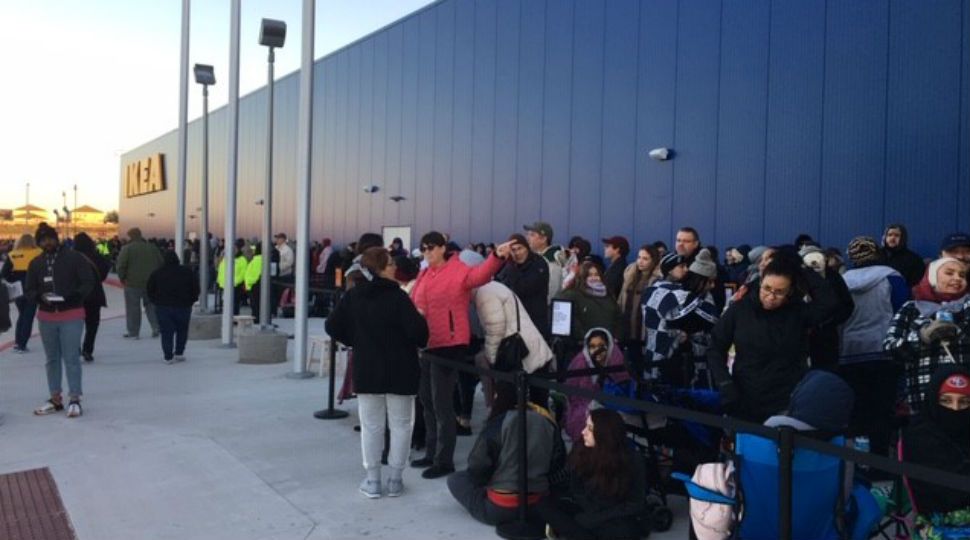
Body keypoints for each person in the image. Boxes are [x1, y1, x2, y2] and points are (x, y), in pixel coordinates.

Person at [325, 247, 429, 499]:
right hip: (401, 370)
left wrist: (356, 340)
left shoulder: (354, 296)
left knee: (371, 426)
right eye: (390, 263)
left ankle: (372, 480)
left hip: (367, 368)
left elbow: (332, 325)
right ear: (380, 268)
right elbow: (420, 335)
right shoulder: (399, 298)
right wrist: (421, 319)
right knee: (402, 425)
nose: (395, 267)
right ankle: (395, 479)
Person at [409, 231, 511, 479]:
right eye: (424, 248)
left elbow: (481, 275)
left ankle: (444, 461)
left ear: (443, 248)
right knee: (427, 400)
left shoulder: (459, 270)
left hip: (449, 344)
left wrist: (496, 256)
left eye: (432, 247)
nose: (427, 252)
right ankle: (432, 452)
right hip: (426, 344)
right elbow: (414, 301)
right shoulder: (424, 273)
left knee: (441, 403)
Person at [708, 255, 840, 423]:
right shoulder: (740, 310)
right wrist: (725, 383)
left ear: (790, 291)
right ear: (760, 282)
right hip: (745, 396)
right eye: (767, 289)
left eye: (779, 292)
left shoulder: (798, 312)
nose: (771, 297)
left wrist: (801, 270)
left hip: (786, 399)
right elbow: (715, 348)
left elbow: (829, 304)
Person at [446, 387, 563, 527]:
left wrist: (483, 481)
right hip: (538, 502)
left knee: (455, 479)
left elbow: (479, 464)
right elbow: (558, 463)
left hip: (501, 505)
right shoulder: (548, 423)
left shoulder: (500, 422)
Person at [837, 236, 909, 458]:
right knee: (882, 410)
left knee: (855, 409)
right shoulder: (891, 277)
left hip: (849, 351)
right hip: (882, 351)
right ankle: (879, 462)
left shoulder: (843, 280)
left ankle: (857, 462)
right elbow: (903, 310)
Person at [539, 409, 647, 540]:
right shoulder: (581, 450)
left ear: (605, 434)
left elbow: (635, 503)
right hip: (585, 508)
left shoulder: (632, 460)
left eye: (590, 428)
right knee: (545, 506)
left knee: (624, 530)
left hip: (613, 516)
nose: (583, 432)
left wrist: (596, 518)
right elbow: (574, 488)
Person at [25, 223, 96, 418]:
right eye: (42, 239)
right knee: (52, 359)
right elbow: (29, 289)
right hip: (47, 316)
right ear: (39, 242)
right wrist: (39, 298)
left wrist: (75, 296)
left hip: (71, 314)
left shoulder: (74, 258)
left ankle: (75, 398)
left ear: (56, 239)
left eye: (50, 238)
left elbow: (88, 281)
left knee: (71, 357)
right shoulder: (36, 263)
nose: (47, 242)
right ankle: (55, 398)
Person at [884, 257, 970, 414]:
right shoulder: (911, 308)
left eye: (962, 275)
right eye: (949, 273)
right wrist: (921, 338)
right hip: (923, 398)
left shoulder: (967, 306)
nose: (957, 278)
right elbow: (890, 348)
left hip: (965, 399)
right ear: (932, 276)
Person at [900, 365, 970, 533]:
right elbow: (950, 493)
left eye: (964, 402)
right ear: (933, 400)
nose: (955, 409)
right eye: (946, 401)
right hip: (941, 528)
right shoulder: (920, 437)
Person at [641, 249, 720, 386]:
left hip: (656, 353)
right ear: (670, 270)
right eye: (681, 266)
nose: (686, 269)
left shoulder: (652, 289)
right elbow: (676, 316)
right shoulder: (673, 293)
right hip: (665, 356)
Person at [563, 328, 631, 442]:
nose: (596, 351)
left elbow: (624, 387)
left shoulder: (616, 359)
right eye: (592, 346)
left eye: (601, 346)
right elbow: (573, 396)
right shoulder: (581, 362)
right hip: (584, 405)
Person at [800, 244, 855, 370]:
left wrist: (831, 320)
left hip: (826, 334)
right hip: (804, 336)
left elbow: (846, 304)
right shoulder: (798, 278)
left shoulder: (834, 278)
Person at [553, 260, 625, 346]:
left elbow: (618, 318)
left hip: (607, 346)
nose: (594, 278)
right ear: (581, 277)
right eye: (589, 275)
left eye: (596, 275)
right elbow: (568, 323)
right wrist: (586, 338)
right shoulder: (570, 295)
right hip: (580, 347)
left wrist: (616, 337)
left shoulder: (608, 295)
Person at [146, 251, 200, 364]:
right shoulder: (187, 272)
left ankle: (168, 356)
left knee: (166, 332)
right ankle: (179, 352)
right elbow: (196, 288)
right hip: (183, 306)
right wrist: (192, 300)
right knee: (182, 330)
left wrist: (156, 301)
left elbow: (150, 290)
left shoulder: (157, 273)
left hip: (163, 307)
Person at [496, 233, 550, 339]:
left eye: (519, 248)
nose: (517, 253)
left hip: (534, 320)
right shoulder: (509, 266)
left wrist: (511, 267)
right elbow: (498, 284)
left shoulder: (538, 263)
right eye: (513, 250)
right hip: (513, 321)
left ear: (527, 248)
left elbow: (523, 288)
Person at [116, 227, 163, 339]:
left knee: (133, 308)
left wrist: (122, 278)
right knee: (151, 306)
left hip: (132, 283)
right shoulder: (152, 248)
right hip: (151, 283)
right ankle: (156, 327)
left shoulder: (127, 248)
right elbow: (161, 263)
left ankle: (134, 332)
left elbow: (121, 265)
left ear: (131, 236)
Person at [72, 233, 112, 362]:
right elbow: (104, 274)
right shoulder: (97, 256)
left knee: (74, 325)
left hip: (76, 296)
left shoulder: (71, 257)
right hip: (94, 295)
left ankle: (74, 348)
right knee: (92, 325)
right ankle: (88, 350)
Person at [1, 233, 42, 353]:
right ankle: (22, 344)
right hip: (33, 289)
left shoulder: (13, 255)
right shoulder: (38, 253)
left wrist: (14, 280)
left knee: (21, 315)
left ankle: (18, 342)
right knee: (28, 317)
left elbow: (4, 274)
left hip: (18, 289)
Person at [619, 244, 660, 342]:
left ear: (653, 261)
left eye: (645, 259)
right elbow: (620, 300)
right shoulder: (629, 276)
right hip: (626, 328)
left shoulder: (657, 280)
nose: (640, 261)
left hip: (645, 331)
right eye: (639, 257)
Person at [524, 221, 564, 302]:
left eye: (532, 235)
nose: (527, 238)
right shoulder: (533, 257)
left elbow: (551, 292)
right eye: (527, 234)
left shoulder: (551, 262)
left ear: (543, 239)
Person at [601, 236, 629, 301]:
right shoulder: (616, 265)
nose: (604, 248)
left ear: (617, 249)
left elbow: (610, 290)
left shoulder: (618, 268)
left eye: (607, 246)